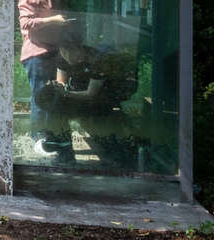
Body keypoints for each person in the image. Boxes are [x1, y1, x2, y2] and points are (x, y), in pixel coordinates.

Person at [33, 28, 139, 165]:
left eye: (71, 50)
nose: (67, 55)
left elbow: (91, 94)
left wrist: (66, 93)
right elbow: (61, 83)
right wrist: (55, 86)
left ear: (80, 47)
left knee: (60, 106)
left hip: (104, 99)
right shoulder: (62, 58)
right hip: (81, 96)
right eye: (63, 51)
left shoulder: (96, 60)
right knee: (54, 102)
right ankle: (62, 146)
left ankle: (62, 146)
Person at [17, 0, 76, 158]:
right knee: (40, 97)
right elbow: (25, 23)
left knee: (53, 95)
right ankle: (38, 139)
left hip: (53, 51)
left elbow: (54, 20)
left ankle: (49, 136)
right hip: (37, 54)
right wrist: (53, 20)